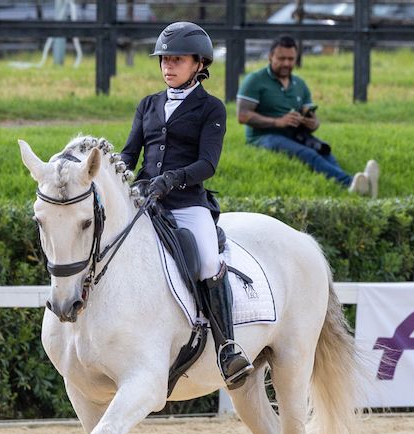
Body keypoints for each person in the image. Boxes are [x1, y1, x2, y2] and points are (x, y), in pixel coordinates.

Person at [120, 21, 254, 389]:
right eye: (164, 59)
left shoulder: (211, 108)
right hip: (145, 202)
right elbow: (130, 154)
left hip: (186, 203)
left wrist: (172, 179)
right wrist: (111, 174)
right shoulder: (148, 104)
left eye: (177, 59)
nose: (167, 66)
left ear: (199, 63)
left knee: (209, 262)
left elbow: (207, 164)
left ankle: (227, 347)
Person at [237, 36, 380, 198]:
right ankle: (353, 184)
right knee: (307, 154)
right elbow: (243, 116)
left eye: (291, 59)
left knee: (324, 151)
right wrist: (278, 122)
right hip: (265, 137)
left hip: (296, 134)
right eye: (281, 58)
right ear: (270, 56)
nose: (286, 63)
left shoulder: (299, 84)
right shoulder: (255, 80)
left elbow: (311, 114)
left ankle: (358, 185)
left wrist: (312, 123)